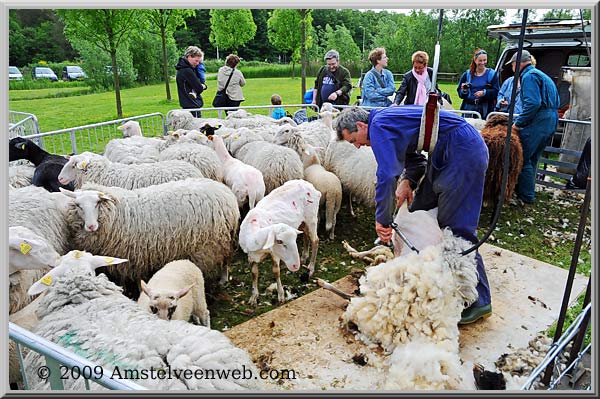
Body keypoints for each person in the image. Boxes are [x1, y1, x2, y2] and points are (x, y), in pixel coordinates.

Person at [335, 105, 492, 325]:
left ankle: (480, 301)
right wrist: (408, 181)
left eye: (354, 140)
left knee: (457, 229)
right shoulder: (386, 122)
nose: (358, 146)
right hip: (446, 149)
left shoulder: (378, 125)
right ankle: (423, 274)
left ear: (362, 126)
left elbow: (387, 174)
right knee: (418, 207)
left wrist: (383, 218)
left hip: (461, 151)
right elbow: (416, 159)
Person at [510, 49, 560, 204]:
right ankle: (529, 192)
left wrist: (518, 124)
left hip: (539, 120)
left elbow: (533, 103)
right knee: (533, 158)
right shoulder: (541, 75)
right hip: (551, 119)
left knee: (523, 159)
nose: (512, 67)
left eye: (512, 64)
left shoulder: (528, 77)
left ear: (517, 63)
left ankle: (525, 196)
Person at [457, 48, 500, 119]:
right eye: (480, 60)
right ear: (475, 60)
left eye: (485, 60)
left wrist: (484, 93)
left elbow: (496, 92)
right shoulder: (467, 74)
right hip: (469, 109)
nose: (483, 63)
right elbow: (460, 93)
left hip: (485, 110)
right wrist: (464, 90)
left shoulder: (492, 74)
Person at [175, 46, 207, 117]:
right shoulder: (187, 71)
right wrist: (203, 86)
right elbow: (198, 88)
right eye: (196, 60)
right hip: (192, 104)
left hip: (187, 103)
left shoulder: (182, 69)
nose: (198, 63)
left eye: (199, 61)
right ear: (189, 57)